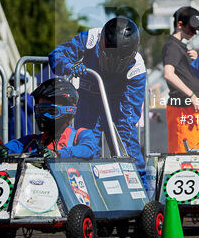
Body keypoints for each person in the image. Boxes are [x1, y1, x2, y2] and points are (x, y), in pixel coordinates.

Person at [48, 17, 148, 185]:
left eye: (117, 59)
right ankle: (89, 190)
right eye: (109, 56)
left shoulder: (137, 69)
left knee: (127, 147)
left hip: (117, 107)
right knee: (86, 148)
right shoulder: (90, 39)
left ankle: (140, 191)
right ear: (101, 45)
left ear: (130, 55)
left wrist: (122, 153)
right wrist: (69, 66)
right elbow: (58, 55)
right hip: (89, 103)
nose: (111, 62)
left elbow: (128, 116)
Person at [0, 78, 96, 159]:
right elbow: (3, 149)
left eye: (51, 111)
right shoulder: (32, 141)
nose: (44, 116)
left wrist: (58, 154)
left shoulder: (80, 135)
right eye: (41, 110)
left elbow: (88, 149)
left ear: (69, 111)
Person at [163, 7, 199, 152]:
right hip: (181, 109)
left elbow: (185, 73)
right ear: (180, 25)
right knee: (183, 156)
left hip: (190, 109)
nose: (195, 33)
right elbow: (168, 74)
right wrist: (192, 95)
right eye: (192, 28)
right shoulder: (172, 46)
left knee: (196, 152)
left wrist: (195, 59)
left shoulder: (181, 46)